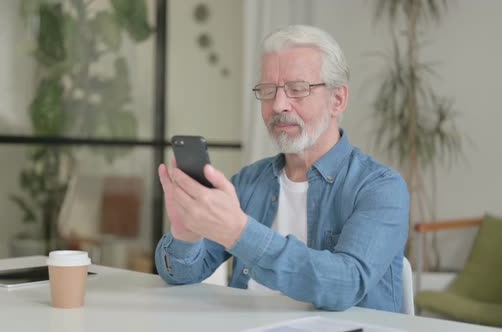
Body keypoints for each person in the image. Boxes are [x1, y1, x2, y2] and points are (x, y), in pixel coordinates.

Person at [154, 25, 409, 313]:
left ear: (338, 99)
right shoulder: (250, 182)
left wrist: (240, 232)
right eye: (268, 90)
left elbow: (345, 285)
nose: (278, 105)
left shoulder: (381, 187)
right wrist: (186, 233)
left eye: (297, 89)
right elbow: (181, 275)